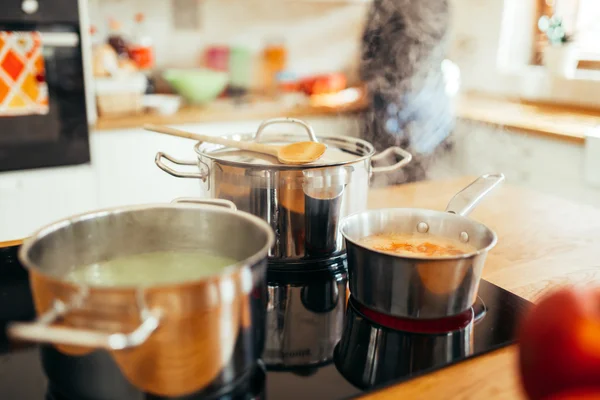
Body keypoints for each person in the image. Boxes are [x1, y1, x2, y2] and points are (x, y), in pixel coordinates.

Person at [360, 0, 455, 185]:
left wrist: (369, 77)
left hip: (397, 101)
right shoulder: (440, 4)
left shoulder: (386, 4)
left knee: (385, 174)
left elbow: (369, 44)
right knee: (419, 177)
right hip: (430, 100)